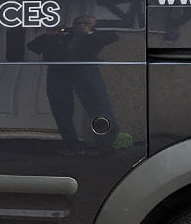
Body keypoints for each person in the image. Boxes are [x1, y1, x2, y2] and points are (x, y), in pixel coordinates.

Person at [27, 15, 129, 153]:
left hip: (85, 70)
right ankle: (71, 146)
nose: (81, 25)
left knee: (99, 106)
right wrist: (49, 35)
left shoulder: (97, 35)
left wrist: (88, 33)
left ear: (94, 25)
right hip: (58, 72)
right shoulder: (63, 34)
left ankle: (104, 145)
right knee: (60, 108)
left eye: (86, 23)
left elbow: (112, 37)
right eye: (78, 23)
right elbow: (33, 46)